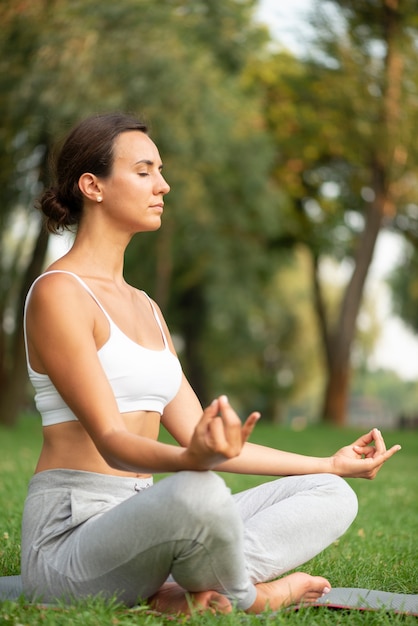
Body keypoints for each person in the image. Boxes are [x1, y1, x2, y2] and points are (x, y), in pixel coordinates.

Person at [21, 112, 401, 615]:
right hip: (70, 543)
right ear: (93, 186)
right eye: (144, 171)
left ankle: (186, 591)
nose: (163, 184)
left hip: (146, 520)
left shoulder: (146, 308)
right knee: (196, 492)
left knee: (330, 493)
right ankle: (245, 596)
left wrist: (330, 463)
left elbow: (205, 437)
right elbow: (113, 442)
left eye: (160, 170)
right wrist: (191, 462)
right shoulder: (59, 293)